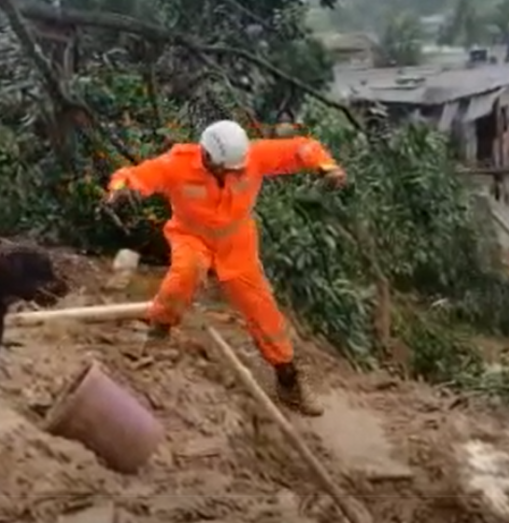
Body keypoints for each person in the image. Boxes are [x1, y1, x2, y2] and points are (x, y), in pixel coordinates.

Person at [104, 120, 345, 416]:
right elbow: (130, 176)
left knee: (264, 312)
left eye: (236, 169)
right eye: (226, 169)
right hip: (192, 237)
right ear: (206, 156)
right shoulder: (176, 164)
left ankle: (288, 381)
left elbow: (302, 148)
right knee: (187, 271)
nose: (233, 174)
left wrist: (327, 167)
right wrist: (119, 191)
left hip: (236, 245)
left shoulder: (252, 157)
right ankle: (160, 331)